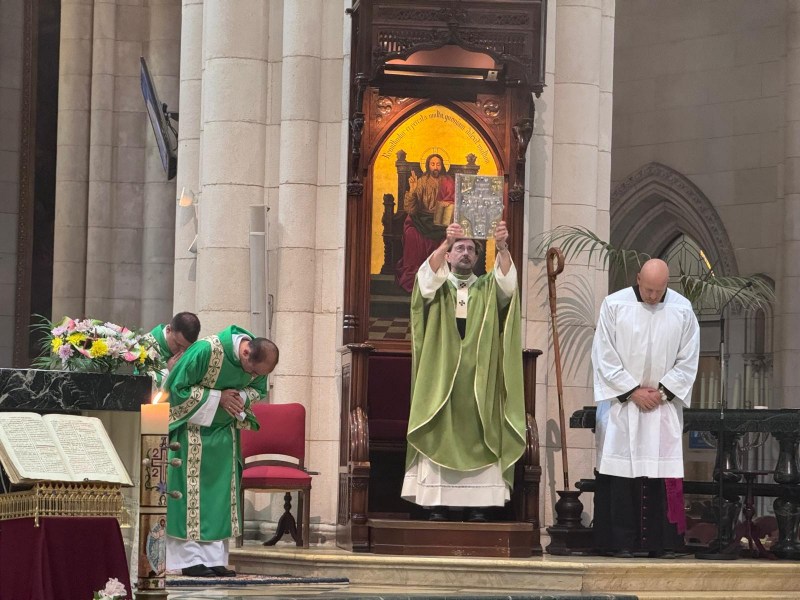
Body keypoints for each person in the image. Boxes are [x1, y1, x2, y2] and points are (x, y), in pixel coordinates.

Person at [401, 220, 525, 522]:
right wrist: (445, 241)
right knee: (439, 426)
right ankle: (436, 504)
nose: (465, 253)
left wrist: (504, 246)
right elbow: (424, 281)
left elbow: (508, 286)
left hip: (479, 377)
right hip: (443, 376)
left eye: (471, 248)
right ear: (449, 255)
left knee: (483, 432)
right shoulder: (440, 286)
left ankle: (479, 505)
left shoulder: (486, 286)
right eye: (460, 248)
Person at [591, 259, 700, 558]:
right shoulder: (614, 305)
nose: (653, 296)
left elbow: (689, 358)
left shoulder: (681, 309)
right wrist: (631, 391)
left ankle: (661, 543)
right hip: (622, 406)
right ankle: (619, 542)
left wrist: (662, 392)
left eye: (659, 290)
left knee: (659, 473)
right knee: (620, 472)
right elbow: (603, 354)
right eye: (648, 289)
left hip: (662, 408)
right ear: (638, 278)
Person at [164, 325, 279, 577]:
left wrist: (239, 397)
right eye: (252, 370)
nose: (252, 375)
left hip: (224, 435)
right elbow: (176, 389)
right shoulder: (206, 350)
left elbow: (257, 391)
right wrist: (218, 397)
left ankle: (214, 558)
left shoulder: (258, 363)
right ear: (246, 352)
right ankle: (189, 560)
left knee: (218, 500)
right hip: (191, 434)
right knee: (190, 498)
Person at [395, 154, 455, 292]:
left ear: (442, 166)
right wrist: (412, 189)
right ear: (428, 165)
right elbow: (410, 209)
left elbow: (454, 201)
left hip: (440, 219)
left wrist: (449, 204)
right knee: (411, 233)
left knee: (447, 236)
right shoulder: (421, 181)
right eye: (432, 164)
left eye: (438, 164)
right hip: (421, 218)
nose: (435, 167)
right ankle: (416, 274)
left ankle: (440, 276)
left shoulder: (448, 181)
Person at [140, 312, 201, 389]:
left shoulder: (192, 349)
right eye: (178, 344)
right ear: (168, 329)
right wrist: (167, 371)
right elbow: (142, 385)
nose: (182, 352)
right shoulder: (146, 345)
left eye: (186, 348)